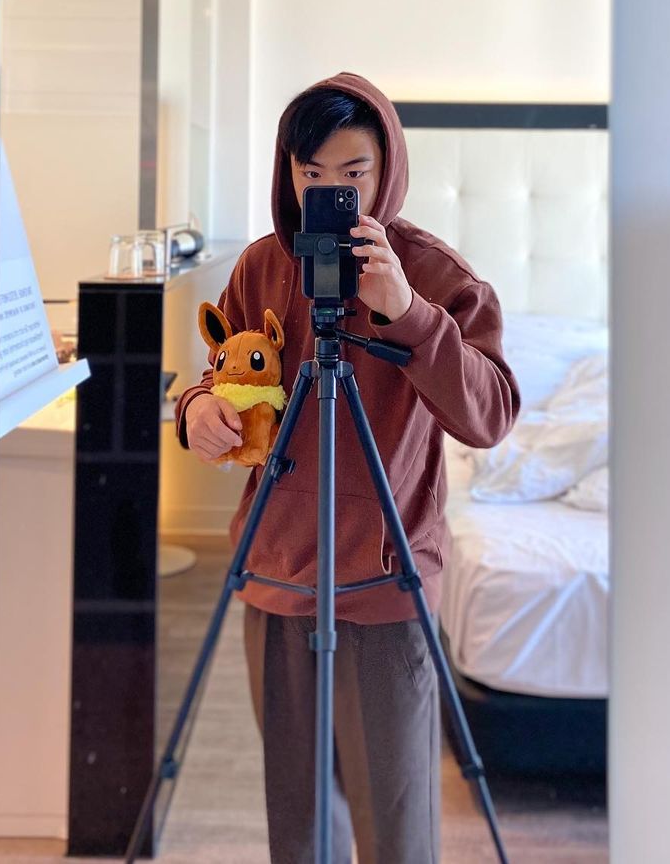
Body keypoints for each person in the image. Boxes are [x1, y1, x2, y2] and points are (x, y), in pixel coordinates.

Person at [175, 71, 520, 864]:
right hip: (276, 572)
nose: (332, 195)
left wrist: (409, 313)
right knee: (298, 824)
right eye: (312, 176)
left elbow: (491, 415)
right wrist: (196, 409)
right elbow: (221, 373)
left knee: (395, 826)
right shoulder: (261, 266)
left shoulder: (436, 276)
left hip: (384, 585)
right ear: (288, 173)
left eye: (353, 175)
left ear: (387, 169)